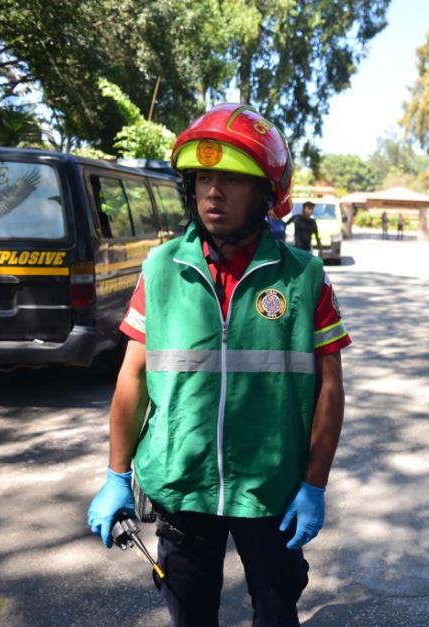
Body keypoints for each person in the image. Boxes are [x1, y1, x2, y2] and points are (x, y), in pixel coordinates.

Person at [86, 103, 351, 626]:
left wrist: (314, 484)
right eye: (204, 177)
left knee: (276, 612)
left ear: (266, 194)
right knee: (190, 615)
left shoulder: (304, 278)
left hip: (270, 486)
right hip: (183, 485)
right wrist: (116, 474)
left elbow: (329, 391)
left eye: (231, 178)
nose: (213, 192)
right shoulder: (161, 270)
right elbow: (132, 378)